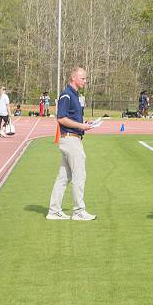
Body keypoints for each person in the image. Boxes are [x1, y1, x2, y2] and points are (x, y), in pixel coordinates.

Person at [47, 67, 97, 221]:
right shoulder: (66, 95)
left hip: (72, 138)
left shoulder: (75, 95)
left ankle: (54, 210)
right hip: (70, 139)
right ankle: (79, 211)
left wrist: (84, 123)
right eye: (83, 78)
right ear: (74, 78)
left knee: (64, 177)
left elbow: (71, 117)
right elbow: (61, 118)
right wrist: (81, 126)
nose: (85, 81)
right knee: (79, 175)